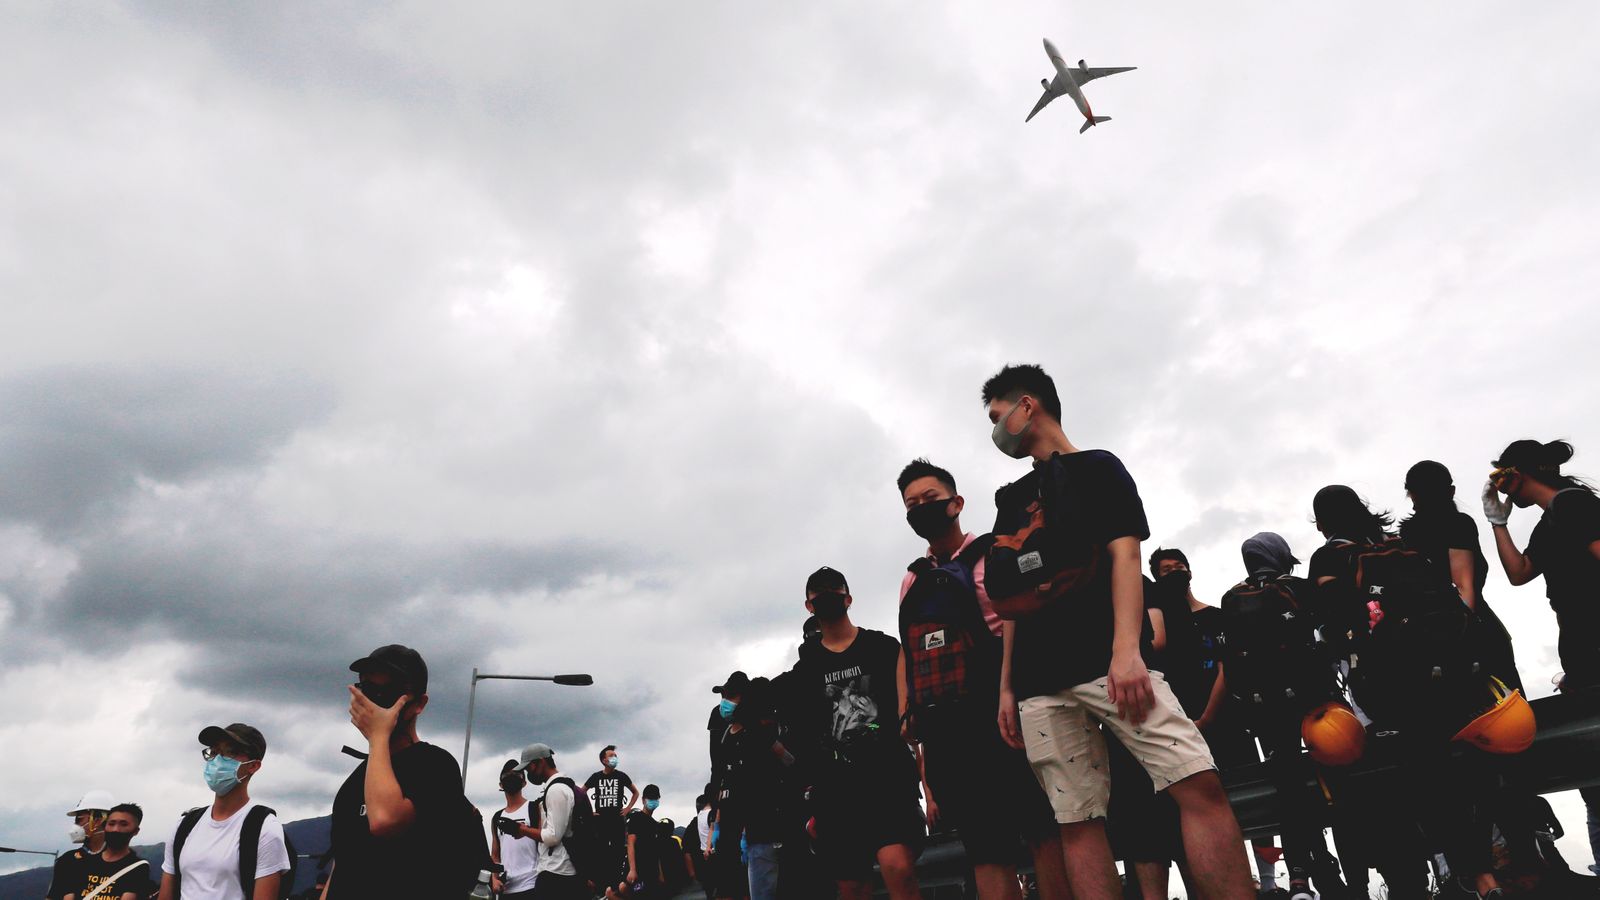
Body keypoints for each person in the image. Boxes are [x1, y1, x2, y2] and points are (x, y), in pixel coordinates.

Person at [979, 363, 1254, 900]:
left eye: (996, 416)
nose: (995, 430)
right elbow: (1007, 602)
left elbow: (1127, 553)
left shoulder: (1098, 468)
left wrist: (1126, 649)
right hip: (1038, 679)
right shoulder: (1011, 499)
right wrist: (1007, 686)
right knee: (1077, 819)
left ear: (1027, 406)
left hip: (1107, 662)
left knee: (1196, 783)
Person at [1309, 485, 1501, 900]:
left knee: (1399, 788)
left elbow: (1333, 619)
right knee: (1448, 772)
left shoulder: (1329, 556)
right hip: (1439, 676)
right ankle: (1481, 875)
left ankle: (1413, 885)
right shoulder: (1399, 547)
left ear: (1321, 522)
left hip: (1381, 690)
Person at [895, 458, 1070, 900]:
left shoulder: (994, 552)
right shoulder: (912, 578)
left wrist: (1010, 691)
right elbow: (910, 651)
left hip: (1004, 713)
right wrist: (908, 714)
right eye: (911, 505)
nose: (921, 509)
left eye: (930, 499)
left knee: (1043, 830)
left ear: (956, 503)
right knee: (985, 848)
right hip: (946, 729)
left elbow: (1018, 625)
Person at [1482, 439, 1600, 872]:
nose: (1500, 484)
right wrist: (1498, 522)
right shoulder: (1551, 521)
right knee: (1594, 771)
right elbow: (1519, 574)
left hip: (1594, 639)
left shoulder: (1574, 505)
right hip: (1581, 648)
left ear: (1518, 472)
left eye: (1502, 474)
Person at [1219, 533, 1350, 900]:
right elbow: (1330, 629)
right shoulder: (1297, 587)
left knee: (1290, 790)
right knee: (1336, 782)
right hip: (1314, 699)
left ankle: (1298, 880)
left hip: (1266, 709)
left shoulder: (1232, 598)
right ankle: (1345, 879)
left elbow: (1230, 661)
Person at [784, 565, 925, 900]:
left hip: (887, 781)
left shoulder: (884, 648)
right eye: (819, 594)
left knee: (898, 868)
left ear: (848, 598)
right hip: (836, 792)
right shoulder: (805, 671)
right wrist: (812, 803)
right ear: (809, 606)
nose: (828, 598)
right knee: (851, 886)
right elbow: (804, 739)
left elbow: (908, 715)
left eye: (834, 591)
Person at [326, 644, 472, 899]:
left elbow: (384, 820)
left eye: (389, 692)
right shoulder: (355, 781)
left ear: (419, 704)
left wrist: (378, 735)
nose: (374, 701)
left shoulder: (435, 765)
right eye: (367, 689)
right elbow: (343, 862)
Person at [1402, 460, 1520, 691]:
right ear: (1451, 491)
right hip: (1472, 629)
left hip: (1430, 636)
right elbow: (1464, 587)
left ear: (1411, 494)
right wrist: (1462, 641)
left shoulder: (1406, 535)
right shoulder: (1459, 524)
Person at [158, 723, 290, 900]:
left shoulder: (264, 829)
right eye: (214, 752)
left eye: (231, 752)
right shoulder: (185, 825)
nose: (218, 760)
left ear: (253, 766)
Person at [513, 743, 585, 900]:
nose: (528, 773)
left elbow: (553, 837)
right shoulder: (564, 786)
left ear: (540, 762)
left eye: (528, 768)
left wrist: (522, 830)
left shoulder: (556, 790)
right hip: (562, 871)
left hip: (557, 872)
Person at [708, 671, 751, 900]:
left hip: (754, 801)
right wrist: (716, 815)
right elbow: (717, 767)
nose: (725, 702)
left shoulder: (758, 726)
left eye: (730, 696)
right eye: (723, 695)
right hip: (727, 797)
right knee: (728, 858)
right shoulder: (719, 719)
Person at [56, 803, 154, 900]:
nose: (116, 829)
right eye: (111, 824)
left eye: (124, 824)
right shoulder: (80, 862)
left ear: (136, 831)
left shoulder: (137, 867)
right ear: (105, 826)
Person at [587, 745, 639, 893]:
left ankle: (616, 887)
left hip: (617, 820)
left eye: (615, 755)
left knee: (617, 853)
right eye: (611, 755)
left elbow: (635, 792)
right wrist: (590, 811)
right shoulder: (596, 777)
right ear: (604, 760)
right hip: (601, 821)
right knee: (602, 853)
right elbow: (581, 792)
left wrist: (628, 808)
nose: (614, 758)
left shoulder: (621, 776)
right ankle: (603, 888)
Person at [47, 790, 116, 900]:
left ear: (98, 820)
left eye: (79, 819)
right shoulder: (67, 860)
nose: (76, 825)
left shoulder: (124, 860)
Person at [493, 759, 540, 900]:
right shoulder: (497, 817)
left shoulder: (534, 808)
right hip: (506, 888)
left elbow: (545, 838)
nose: (511, 778)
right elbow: (495, 855)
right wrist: (494, 879)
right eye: (507, 776)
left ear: (524, 783)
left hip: (532, 884)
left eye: (516, 775)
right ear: (501, 784)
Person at [622, 785, 666, 897]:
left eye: (655, 798)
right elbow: (630, 844)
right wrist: (632, 869)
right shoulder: (636, 818)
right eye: (650, 798)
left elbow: (657, 852)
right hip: (639, 870)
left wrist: (660, 874)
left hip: (652, 871)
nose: (653, 801)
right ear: (643, 800)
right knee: (625, 891)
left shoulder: (656, 825)